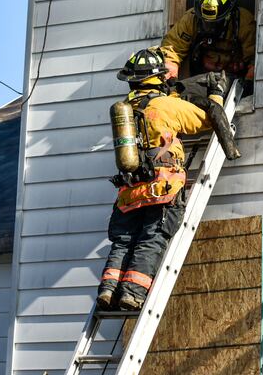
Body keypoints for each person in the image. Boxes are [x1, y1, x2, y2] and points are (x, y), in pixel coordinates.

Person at [96, 47, 237, 310]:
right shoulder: (165, 106)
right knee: (152, 237)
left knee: (123, 241)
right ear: (158, 78)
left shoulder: (125, 110)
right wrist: (216, 94)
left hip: (129, 190)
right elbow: (207, 120)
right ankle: (132, 292)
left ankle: (108, 288)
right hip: (161, 185)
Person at [161, 0, 256, 82]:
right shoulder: (190, 19)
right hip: (201, 78)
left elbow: (254, 58)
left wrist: (248, 83)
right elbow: (172, 47)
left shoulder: (243, 21)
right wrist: (170, 65)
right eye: (205, 21)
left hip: (233, 79)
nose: (209, 27)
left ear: (228, 15)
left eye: (216, 22)